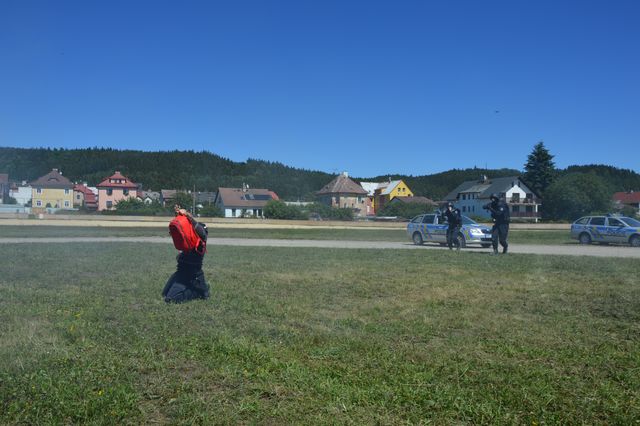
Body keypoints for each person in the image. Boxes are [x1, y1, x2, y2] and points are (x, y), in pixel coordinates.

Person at [162, 205, 210, 303]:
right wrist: (178, 216)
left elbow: (200, 230)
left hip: (193, 275)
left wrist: (188, 216)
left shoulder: (201, 241)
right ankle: (194, 288)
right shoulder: (188, 242)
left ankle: (197, 293)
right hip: (181, 272)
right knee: (164, 293)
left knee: (171, 299)